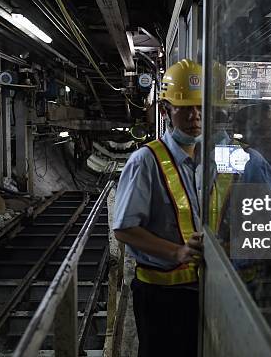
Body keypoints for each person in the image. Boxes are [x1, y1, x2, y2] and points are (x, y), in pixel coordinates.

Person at [112, 59, 205, 357]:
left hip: (200, 292)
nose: (195, 117)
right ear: (166, 111)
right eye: (185, 108)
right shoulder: (145, 161)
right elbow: (125, 228)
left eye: (200, 108)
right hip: (161, 296)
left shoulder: (208, 160)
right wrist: (176, 252)